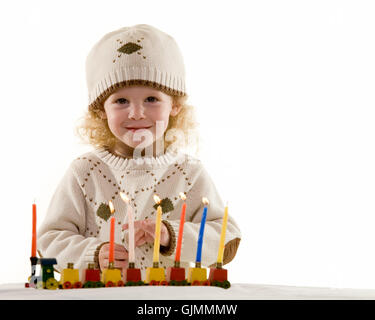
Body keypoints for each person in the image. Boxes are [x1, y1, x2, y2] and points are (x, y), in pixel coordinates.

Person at [38, 24, 241, 278]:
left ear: (175, 105)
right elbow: (50, 239)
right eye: (121, 101)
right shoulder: (85, 171)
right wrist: (93, 253)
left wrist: (173, 236)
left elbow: (227, 240)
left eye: (151, 99)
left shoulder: (188, 172)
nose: (136, 113)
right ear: (101, 109)